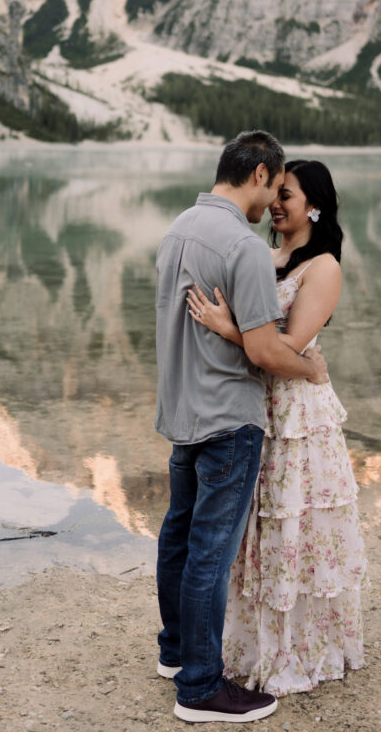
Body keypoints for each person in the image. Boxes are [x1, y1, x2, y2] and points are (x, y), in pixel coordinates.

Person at [155, 132, 329, 724]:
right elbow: (266, 353)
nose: (273, 203)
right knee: (210, 553)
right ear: (259, 173)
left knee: (178, 536)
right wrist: (311, 367)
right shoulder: (244, 246)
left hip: (181, 412)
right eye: (274, 186)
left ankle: (176, 654)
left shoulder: (177, 228)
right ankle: (200, 688)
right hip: (229, 418)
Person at [186, 159, 367, 698]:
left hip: (299, 414)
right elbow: (265, 340)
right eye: (275, 192)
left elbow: (286, 347)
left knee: (295, 526)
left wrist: (228, 328)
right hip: (256, 404)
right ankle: (251, 645)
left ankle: (302, 649)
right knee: (258, 527)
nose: (274, 203)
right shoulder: (265, 257)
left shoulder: (324, 267)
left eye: (285, 194)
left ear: (312, 204)